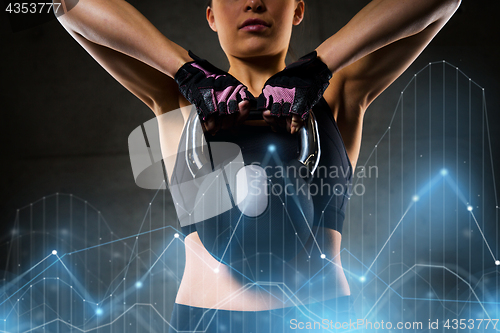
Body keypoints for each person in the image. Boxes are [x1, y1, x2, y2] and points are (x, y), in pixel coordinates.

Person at [54, 0, 461, 331]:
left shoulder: (337, 96)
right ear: (211, 15)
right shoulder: (179, 102)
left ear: (297, 10)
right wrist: (186, 70)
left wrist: (318, 67)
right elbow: (61, 5)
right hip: (205, 321)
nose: (253, 2)